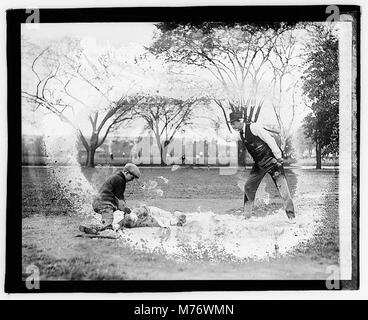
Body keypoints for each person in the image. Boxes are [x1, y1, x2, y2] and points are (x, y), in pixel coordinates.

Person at [228, 111, 295, 221]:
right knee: (248, 187)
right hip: (259, 165)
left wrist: (278, 155)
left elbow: (269, 139)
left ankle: (291, 217)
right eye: (231, 124)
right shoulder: (241, 134)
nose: (233, 126)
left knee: (283, 190)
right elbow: (231, 138)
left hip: (273, 162)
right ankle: (247, 217)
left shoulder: (254, 127)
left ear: (240, 121)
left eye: (234, 124)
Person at [79, 163, 141, 234]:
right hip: (105, 204)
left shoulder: (117, 177)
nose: (132, 180)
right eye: (132, 177)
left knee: (106, 222)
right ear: (126, 172)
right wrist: (128, 212)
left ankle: (93, 229)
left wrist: (124, 210)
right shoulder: (120, 180)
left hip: (100, 203)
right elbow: (120, 200)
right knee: (107, 224)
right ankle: (91, 227)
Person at [113, 205, 187, 230]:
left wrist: (134, 214)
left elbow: (142, 210)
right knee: (166, 221)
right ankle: (177, 220)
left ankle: (177, 215)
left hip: (151, 211)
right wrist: (117, 225)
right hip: (150, 218)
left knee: (167, 216)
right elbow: (123, 221)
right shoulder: (126, 220)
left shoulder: (134, 214)